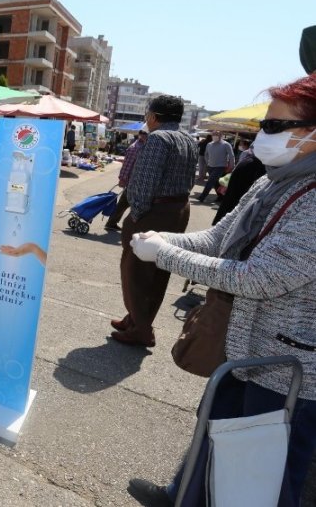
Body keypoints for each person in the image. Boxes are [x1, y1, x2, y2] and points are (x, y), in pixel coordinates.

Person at [127, 72, 316, 507]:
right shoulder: (272, 181)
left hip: (291, 368)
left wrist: (164, 255)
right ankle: (182, 496)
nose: (261, 137)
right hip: (244, 350)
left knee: (261, 477)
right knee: (215, 432)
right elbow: (216, 240)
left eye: (274, 127)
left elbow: (261, 277)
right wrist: (161, 240)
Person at [110, 95, 197, 347]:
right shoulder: (187, 139)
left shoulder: (158, 138)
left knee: (135, 271)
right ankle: (137, 320)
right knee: (158, 272)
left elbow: (144, 181)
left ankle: (141, 329)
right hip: (178, 209)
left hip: (154, 211)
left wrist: (135, 213)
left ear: (153, 116)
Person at [104, 127, 148, 231]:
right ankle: (115, 223)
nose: (147, 137)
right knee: (126, 204)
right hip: (132, 182)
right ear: (141, 135)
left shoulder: (143, 146)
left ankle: (112, 223)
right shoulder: (135, 148)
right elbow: (127, 166)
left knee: (124, 203)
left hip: (137, 181)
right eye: (146, 134)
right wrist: (122, 179)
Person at [197, 131, 235, 202]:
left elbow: (231, 156)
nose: (214, 136)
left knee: (210, 181)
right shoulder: (209, 144)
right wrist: (207, 162)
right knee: (215, 183)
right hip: (210, 166)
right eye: (213, 134)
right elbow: (206, 154)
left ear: (221, 135)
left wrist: (232, 165)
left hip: (220, 166)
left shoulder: (226, 144)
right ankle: (221, 197)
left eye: (216, 135)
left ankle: (202, 197)